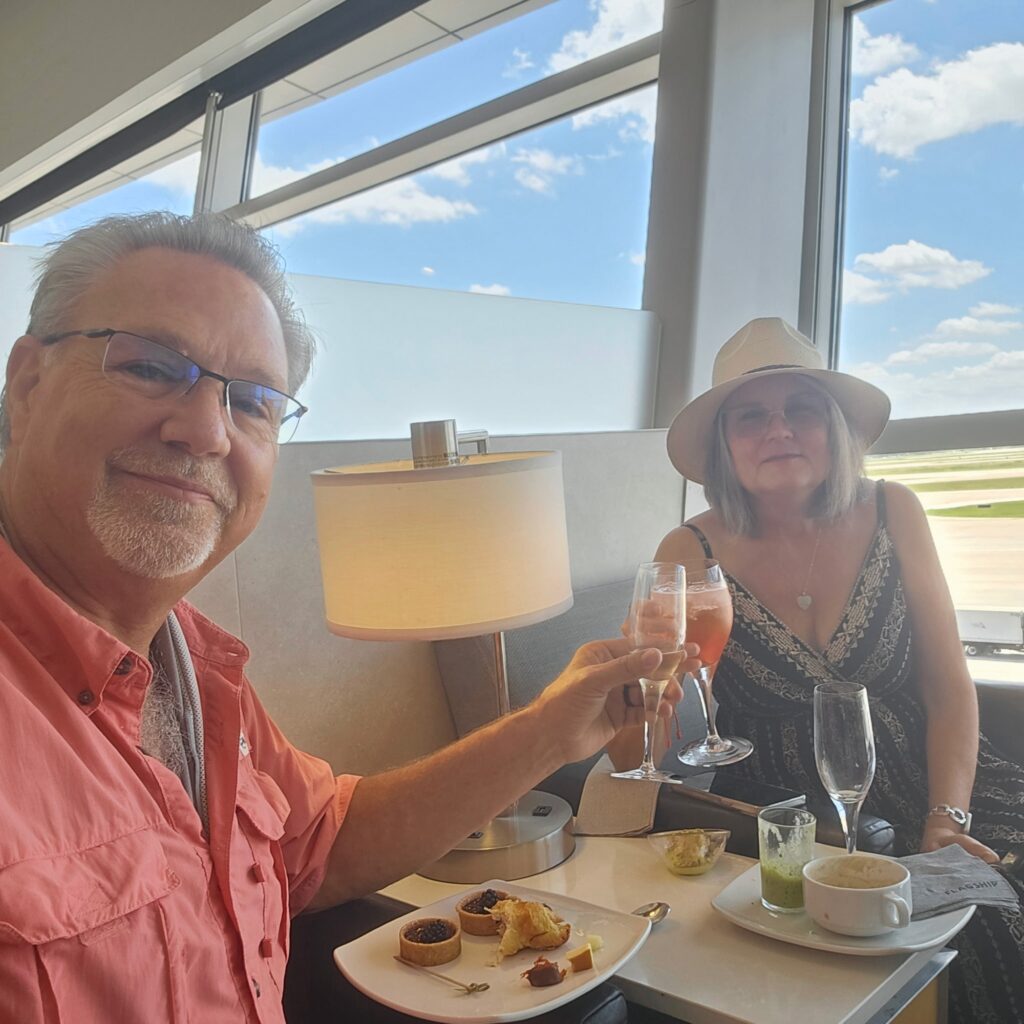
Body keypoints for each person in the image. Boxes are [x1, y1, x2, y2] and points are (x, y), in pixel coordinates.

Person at [0, 212, 693, 1023]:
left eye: (252, 402)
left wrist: (547, 731)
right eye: (151, 367)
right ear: (28, 382)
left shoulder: (192, 664)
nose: (205, 431)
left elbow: (321, 843)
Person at [611, 316, 1024, 1023]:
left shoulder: (894, 509)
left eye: (801, 408)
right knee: (938, 944)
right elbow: (635, 757)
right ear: (724, 444)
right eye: (752, 416)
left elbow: (948, 685)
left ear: (833, 428)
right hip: (788, 814)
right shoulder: (687, 550)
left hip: (935, 779)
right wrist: (637, 688)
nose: (779, 429)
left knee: (1004, 905)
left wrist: (946, 818)